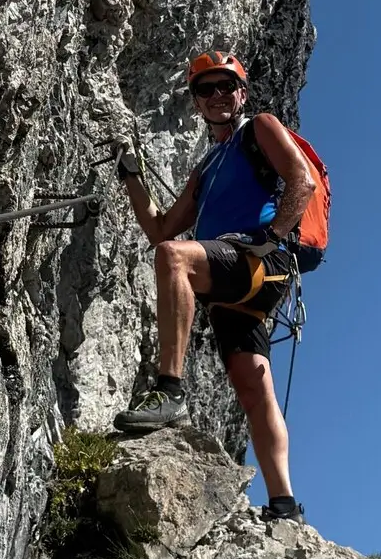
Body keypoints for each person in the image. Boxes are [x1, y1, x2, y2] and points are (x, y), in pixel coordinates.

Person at [111, 50, 316, 524]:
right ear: (197, 102)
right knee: (252, 385)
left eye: (227, 86)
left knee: (175, 259)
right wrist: (132, 177)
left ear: (242, 93)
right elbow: (161, 228)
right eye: (207, 89)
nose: (218, 95)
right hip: (239, 276)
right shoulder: (205, 167)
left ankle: (170, 390)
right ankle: (284, 504)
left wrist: (271, 238)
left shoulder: (260, 127)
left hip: (259, 259)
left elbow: (300, 182)